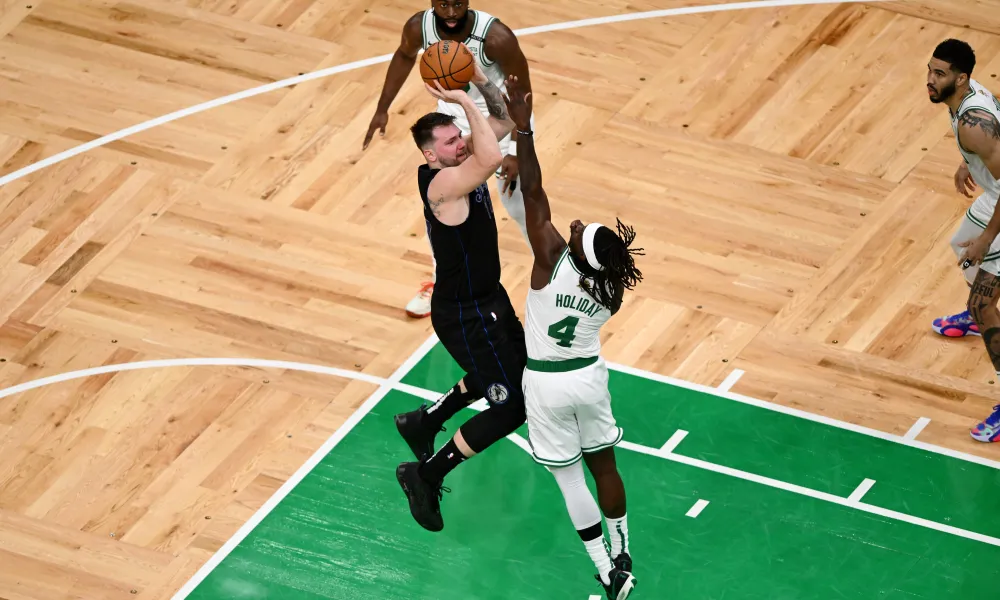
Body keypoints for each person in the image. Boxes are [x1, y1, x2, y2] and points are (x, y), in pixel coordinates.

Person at [505, 75, 642, 599]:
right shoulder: (612, 290)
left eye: (580, 229)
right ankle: (624, 545)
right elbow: (594, 252)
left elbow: (535, 191)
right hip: (588, 378)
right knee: (604, 465)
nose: (578, 222)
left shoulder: (548, 261)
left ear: (574, 249)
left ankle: (606, 569)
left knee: (568, 480)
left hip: (545, 384)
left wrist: (524, 130)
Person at [394, 67, 529, 532]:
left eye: (460, 137)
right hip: (464, 313)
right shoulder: (442, 186)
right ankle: (425, 475)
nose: (462, 144)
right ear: (431, 155)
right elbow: (490, 156)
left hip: (488, 297)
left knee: (516, 367)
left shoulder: (456, 164)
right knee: (513, 405)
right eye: (452, 141)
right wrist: (465, 102)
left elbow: (506, 119)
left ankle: (424, 421)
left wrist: (478, 84)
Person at [362, 0, 535, 319]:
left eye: (458, 4)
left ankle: (554, 270)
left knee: (518, 205)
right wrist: (382, 107)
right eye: (444, 5)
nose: (452, 12)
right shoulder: (419, 27)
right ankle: (443, 283)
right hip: (453, 121)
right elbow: (403, 56)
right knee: (442, 208)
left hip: (501, 117)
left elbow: (521, 91)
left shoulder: (496, 37)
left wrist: (513, 148)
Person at [927, 38, 1000, 442]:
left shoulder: (974, 124)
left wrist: (989, 238)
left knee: (982, 302)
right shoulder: (971, 102)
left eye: (939, 74)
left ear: (961, 77)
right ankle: (981, 318)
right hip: (995, 195)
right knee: (962, 247)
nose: (930, 80)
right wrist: (966, 160)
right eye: (930, 70)